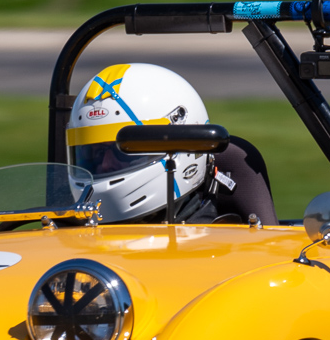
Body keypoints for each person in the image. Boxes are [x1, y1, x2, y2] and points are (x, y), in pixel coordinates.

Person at [66, 62, 277, 224]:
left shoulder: (226, 249)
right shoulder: (69, 243)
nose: (104, 165)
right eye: (93, 154)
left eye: (123, 153)